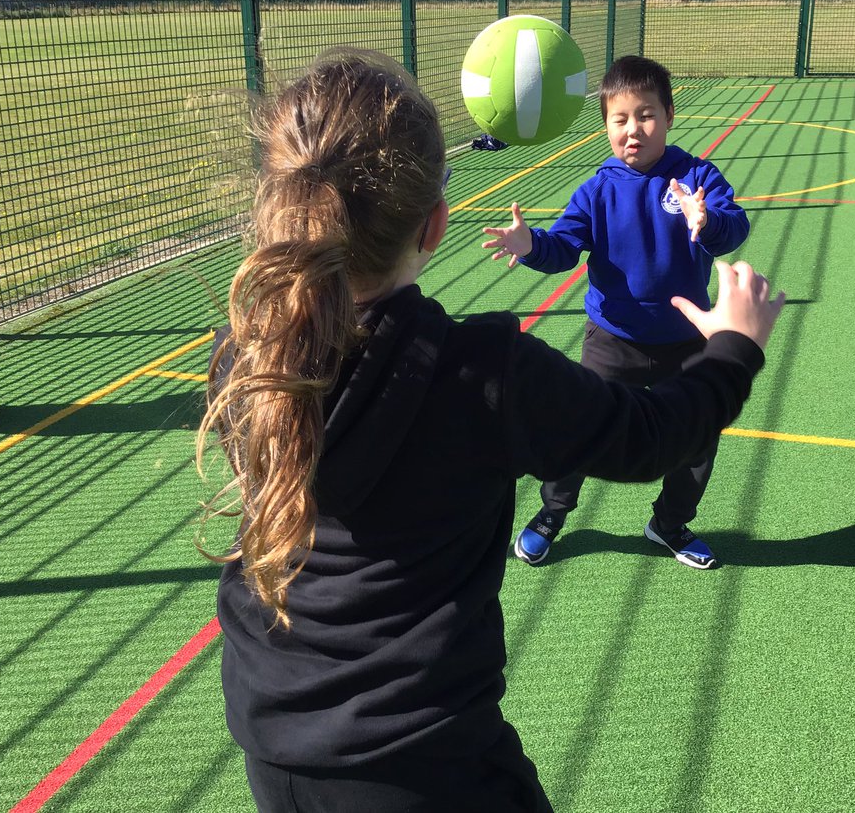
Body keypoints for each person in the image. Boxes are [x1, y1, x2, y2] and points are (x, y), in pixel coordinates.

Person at [199, 48, 783, 813]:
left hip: (271, 740)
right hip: (425, 758)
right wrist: (734, 350)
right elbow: (650, 438)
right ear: (436, 223)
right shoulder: (484, 374)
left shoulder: (243, 350)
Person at [482, 54, 751, 570]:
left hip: (686, 340)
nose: (634, 130)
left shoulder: (696, 177)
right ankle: (552, 514)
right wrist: (530, 242)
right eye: (620, 119)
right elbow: (562, 246)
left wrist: (708, 219)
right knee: (577, 429)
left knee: (695, 440)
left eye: (646, 115)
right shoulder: (597, 190)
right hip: (612, 339)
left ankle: (668, 524)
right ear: (605, 125)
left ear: (669, 117)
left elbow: (734, 226)